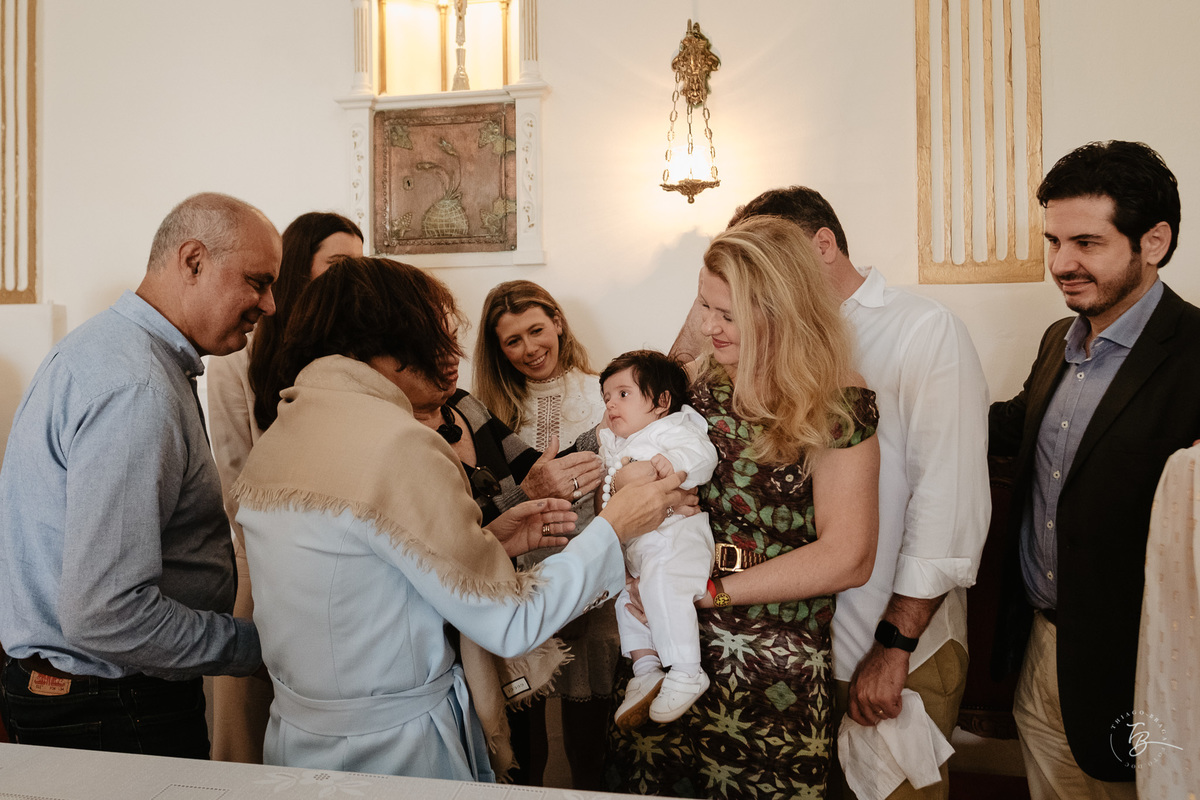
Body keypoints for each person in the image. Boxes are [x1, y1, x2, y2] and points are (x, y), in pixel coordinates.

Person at [232, 256, 690, 781]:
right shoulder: (401, 443)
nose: (451, 355)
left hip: (298, 736)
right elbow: (509, 621)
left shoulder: (282, 432)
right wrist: (615, 526)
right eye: (439, 335)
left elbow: (363, 574)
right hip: (395, 750)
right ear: (393, 346)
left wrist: (487, 539)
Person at [676, 186, 991, 800]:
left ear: (819, 246)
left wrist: (895, 644)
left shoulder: (924, 329)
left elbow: (947, 505)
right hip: (789, 629)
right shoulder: (741, 343)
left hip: (887, 632)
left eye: (774, 250)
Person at [0, 192, 279, 758]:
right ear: (193, 261)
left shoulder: (108, 349)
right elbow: (106, 614)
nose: (269, 305)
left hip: (90, 699)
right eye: (257, 282)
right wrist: (252, 649)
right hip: (111, 708)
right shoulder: (137, 388)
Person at [610, 215, 880, 799]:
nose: (708, 327)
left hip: (773, 658)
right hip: (667, 634)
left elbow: (849, 556)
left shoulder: (836, 399)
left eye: (727, 315)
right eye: (704, 306)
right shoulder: (688, 385)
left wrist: (712, 593)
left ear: (782, 311)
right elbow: (625, 469)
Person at [990, 140, 1200, 799]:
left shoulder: (1196, 353)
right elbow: (1012, 428)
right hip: (1040, 652)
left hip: (1142, 667)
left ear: (1154, 242)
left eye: (1086, 242)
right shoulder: (1059, 339)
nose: (1061, 264)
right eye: (1054, 241)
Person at [206, 211, 364, 764]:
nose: (352, 276)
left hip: (343, 562)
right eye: (337, 264)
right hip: (261, 557)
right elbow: (233, 473)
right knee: (244, 733)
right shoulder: (237, 357)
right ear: (300, 269)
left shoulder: (354, 350)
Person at [473, 279, 613, 788]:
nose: (530, 349)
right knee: (523, 741)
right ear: (498, 349)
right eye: (513, 341)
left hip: (593, 581)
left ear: (557, 322)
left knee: (590, 741)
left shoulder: (605, 393)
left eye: (536, 330)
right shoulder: (486, 413)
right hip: (516, 589)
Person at [600, 350, 717, 728]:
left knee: (665, 588)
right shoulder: (614, 442)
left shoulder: (672, 429)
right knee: (623, 597)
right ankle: (646, 669)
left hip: (675, 539)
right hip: (638, 547)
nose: (611, 404)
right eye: (606, 397)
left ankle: (687, 670)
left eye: (623, 394)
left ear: (662, 401)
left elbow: (704, 456)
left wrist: (677, 466)